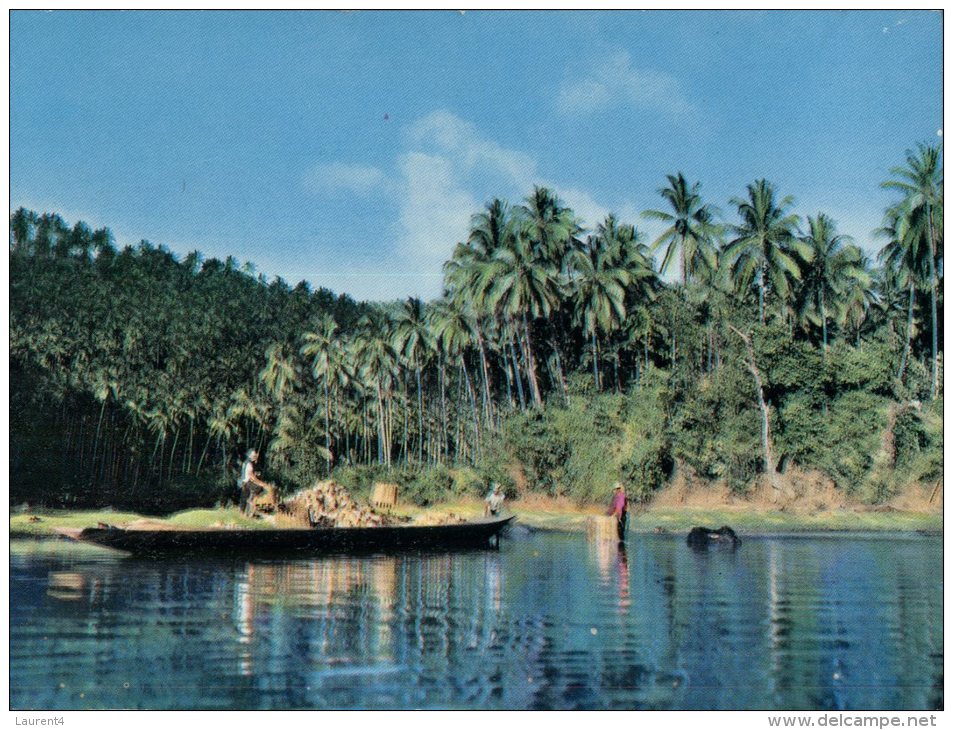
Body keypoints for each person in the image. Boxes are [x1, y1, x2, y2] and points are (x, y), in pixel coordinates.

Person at [238, 449, 273, 517]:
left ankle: (244, 515)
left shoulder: (245, 462)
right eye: (253, 456)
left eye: (255, 455)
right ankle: (251, 510)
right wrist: (262, 484)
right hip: (247, 483)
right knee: (260, 490)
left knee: (244, 499)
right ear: (249, 456)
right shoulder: (249, 464)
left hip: (243, 483)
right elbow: (251, 476)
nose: (255, 457)